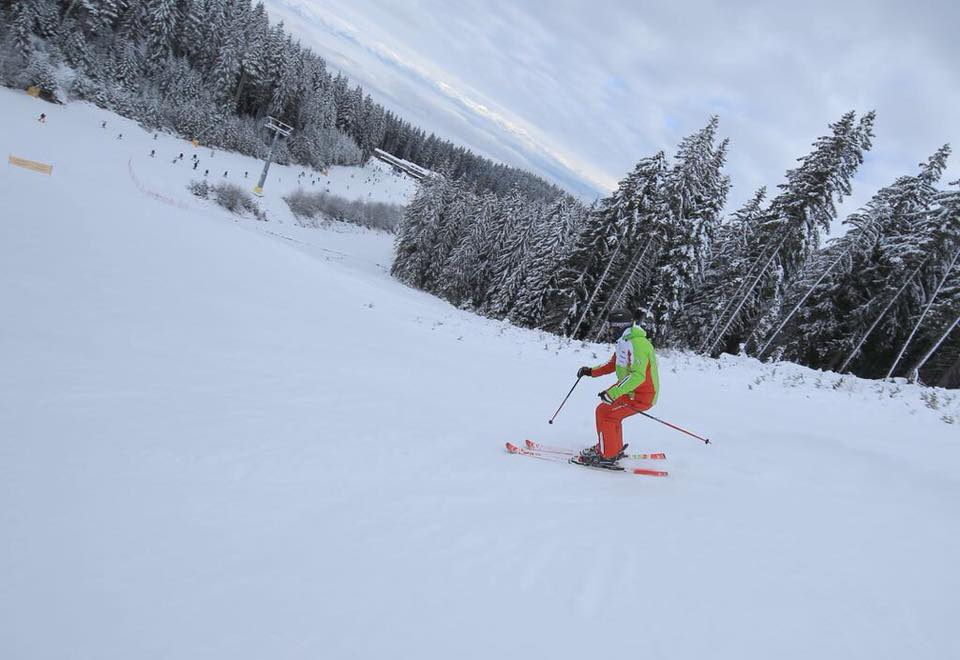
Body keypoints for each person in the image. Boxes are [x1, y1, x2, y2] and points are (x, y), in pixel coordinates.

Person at [575, 309, 659, 467]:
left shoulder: (638, 344)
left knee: (607, 414)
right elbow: (614, 364)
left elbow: (637, 376)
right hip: (631, 391)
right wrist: (591, 371)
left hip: (642, 395)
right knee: (606, 411)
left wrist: (613, 392)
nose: (609, 331)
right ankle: (611, 447)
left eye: (611, 327)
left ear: (620, 327)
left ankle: (608, 455)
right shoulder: (624, 341)